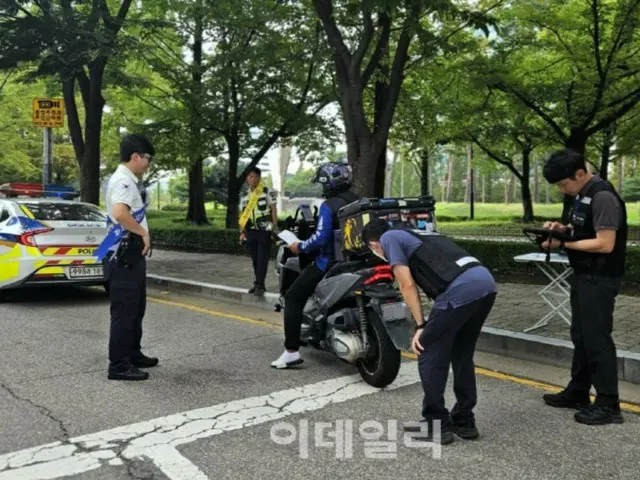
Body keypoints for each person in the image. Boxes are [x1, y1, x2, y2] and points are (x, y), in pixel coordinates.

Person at [361, 219, 497, 445]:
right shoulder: (419, 233)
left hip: (460, 290)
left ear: (374, 244)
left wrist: (421, 326)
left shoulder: (389, 238)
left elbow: (406, 285)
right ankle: (464, 420)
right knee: (461, 353)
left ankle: (436, 423)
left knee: (428, 349)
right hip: (485, 284)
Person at [540, 148, 627, 425]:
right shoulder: (583, 195)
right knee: (581, 336)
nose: (563, 190)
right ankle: (578, 391)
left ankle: (608, 403)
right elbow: (584, 231)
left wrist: (564, 243)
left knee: (597, 339)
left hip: (600, 279)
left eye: (564, 184)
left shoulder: (603, 197)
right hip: (584, 275)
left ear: (579, 173)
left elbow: (605, 243)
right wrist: (561, 230)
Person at [270, 162, 359, 369]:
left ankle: (291, 351)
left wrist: (299, 246)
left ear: (328, 183)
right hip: (358, 261)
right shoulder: (359, 201)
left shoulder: (329, 206)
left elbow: (320, 238)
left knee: (292, 297)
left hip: (329, 262)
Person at [96, 134, 158, 381]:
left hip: (127, 254)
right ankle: (118, 365)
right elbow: (121, 214)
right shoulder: (123, 181)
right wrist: (143, 233)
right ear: (136, 156)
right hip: (123, 256)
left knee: (136, 307)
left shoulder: (127, 180)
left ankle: (132, 353)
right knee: (124, 311)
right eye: (147, 158)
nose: (148, 163)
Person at [238, 166, 278, 295]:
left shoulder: (266, 191)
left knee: (262, 260)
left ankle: (259, 285)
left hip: (264, 231)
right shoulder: (244, 196)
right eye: (250, 177)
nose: (253, 179)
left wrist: (275, 229)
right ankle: (259, 284)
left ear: (259, 178)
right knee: (255, 260)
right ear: (246, 179)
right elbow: (243, 214)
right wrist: (242, 232)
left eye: (256, 176)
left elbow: (273, 210)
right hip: (250, 231)